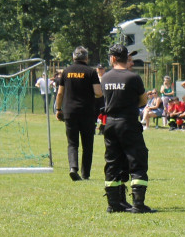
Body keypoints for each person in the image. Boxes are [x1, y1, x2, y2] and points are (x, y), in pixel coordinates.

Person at [101, 43, 153, 212]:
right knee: (136, 159)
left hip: (109, 124)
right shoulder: (133, 78)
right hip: (128, 123)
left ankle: (114, 203)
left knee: (113, 161)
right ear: (125, 58)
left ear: (113, 58)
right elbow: (144, 101)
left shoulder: (106, 77)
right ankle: (138, 204)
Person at [55, 46, 103, 181]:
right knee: (87, 144)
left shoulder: (66, 72)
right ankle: (85, 174)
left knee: (72, 143)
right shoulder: (91, 72)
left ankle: (73, 168)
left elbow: (60, 93)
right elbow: (98, 92)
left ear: (73, 57)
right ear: (86, 58)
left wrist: (59, 109)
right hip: (87, 112)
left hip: (70, 111)